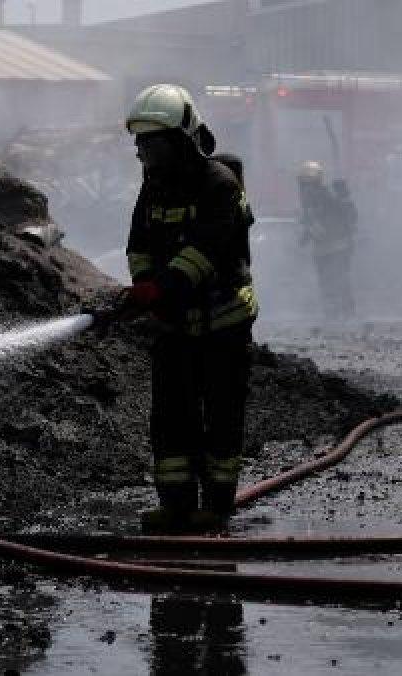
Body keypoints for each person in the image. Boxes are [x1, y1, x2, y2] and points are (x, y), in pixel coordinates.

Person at [123, 84, 259, 534]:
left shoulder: (219, 185)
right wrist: (143, 283)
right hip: (175, 323)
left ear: (182, 138)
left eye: (151, 141)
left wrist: (162, 288)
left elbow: (206, 252)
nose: (142, 151)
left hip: (223, 323)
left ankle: (216, 506)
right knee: (170, 418)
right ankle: (175, 506)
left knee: (220, 417)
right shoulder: (154, 184)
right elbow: (139, 241)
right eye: (139, 141)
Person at [297, 160, 357, 320]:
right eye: (304, 184)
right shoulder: (309, 201)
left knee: (339, 279)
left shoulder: (327, 197)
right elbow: (310, 221)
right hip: (322, 249)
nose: (306, 188)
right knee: (325, 281)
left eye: (308, 184)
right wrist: (307, 234)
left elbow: (338, 219)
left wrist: (343, 198)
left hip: (338, 246)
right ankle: (332, 313)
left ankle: (347, 313)